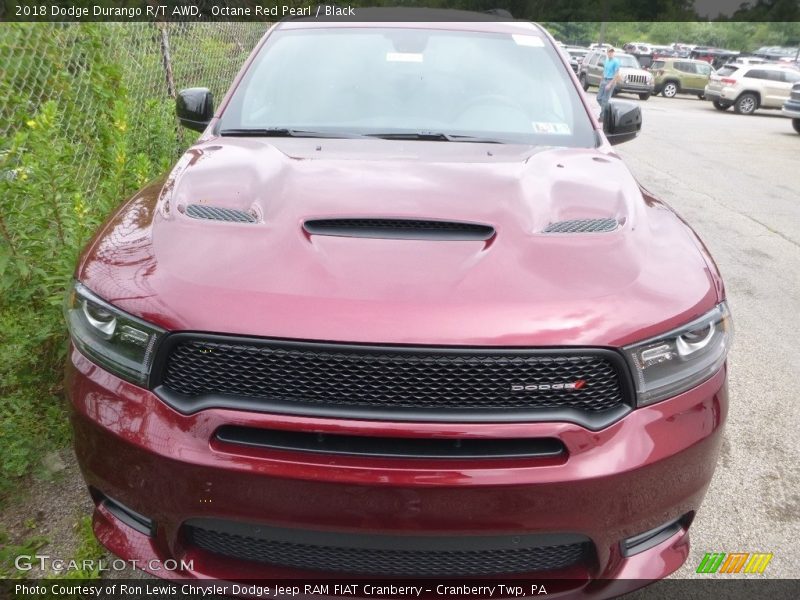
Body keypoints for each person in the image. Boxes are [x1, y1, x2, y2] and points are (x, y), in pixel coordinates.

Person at [597, 47, 622, 121]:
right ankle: (609, 111)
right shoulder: (606, 60)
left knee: (605, 100)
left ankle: (602, 117)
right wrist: (601, 81)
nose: (611, 53)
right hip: (604, 80)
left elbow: (616, 74)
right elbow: (604, 71)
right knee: (598, 98)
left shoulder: (616, 61)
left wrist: (610, 84)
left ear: (613, 53)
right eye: (609, 52)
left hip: (610, 81)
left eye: (612, 52)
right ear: (607, 53)